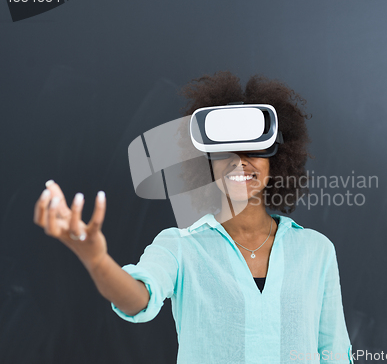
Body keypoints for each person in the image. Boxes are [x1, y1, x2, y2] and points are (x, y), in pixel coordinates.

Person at [33, 71, 352, 363]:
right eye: (224, 152)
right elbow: (138, 299)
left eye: (253, 150)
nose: (238, 162)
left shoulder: (316, 251)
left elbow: (335, 353)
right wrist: (97, 260)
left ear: (278, 159)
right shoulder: (180, 247)